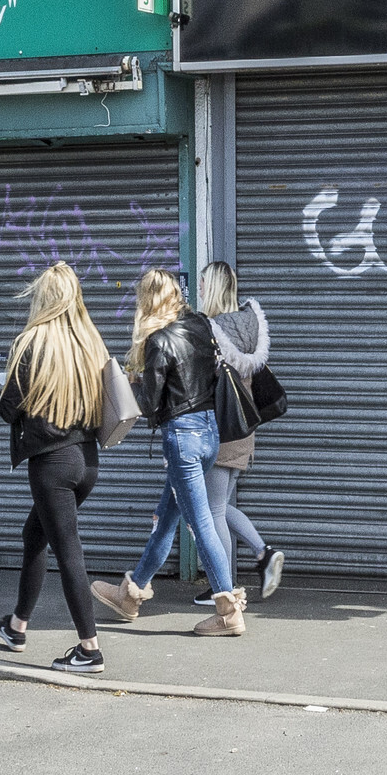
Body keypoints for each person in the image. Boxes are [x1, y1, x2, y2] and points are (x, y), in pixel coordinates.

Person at [0, 261, 110, 675]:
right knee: (34, 535)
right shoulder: (89, 342)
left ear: (43, 298)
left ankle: (90, 649)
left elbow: (11, 409)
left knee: (68, 553)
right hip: (87, 461)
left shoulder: (32, 342)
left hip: (52, 465)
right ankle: (16, 626)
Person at [90, 268, 246, 638]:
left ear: (147, 300)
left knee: (200, 522)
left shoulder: (159, 341)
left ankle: (227, 611)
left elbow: (152, 405)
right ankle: (131, 594)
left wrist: (130, 384)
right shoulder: (199, 326)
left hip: (183, 440)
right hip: (209, 433)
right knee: (168, 516)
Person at [195, 261, 285, 609]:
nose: (199, 289)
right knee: (220, 506)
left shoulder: (212, 329)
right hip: (244, 427)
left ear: (214, 287)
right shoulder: (251, 327)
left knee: (213, 509)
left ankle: (226, 586)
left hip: (220, 427)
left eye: (203, 283)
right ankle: (261, 556)